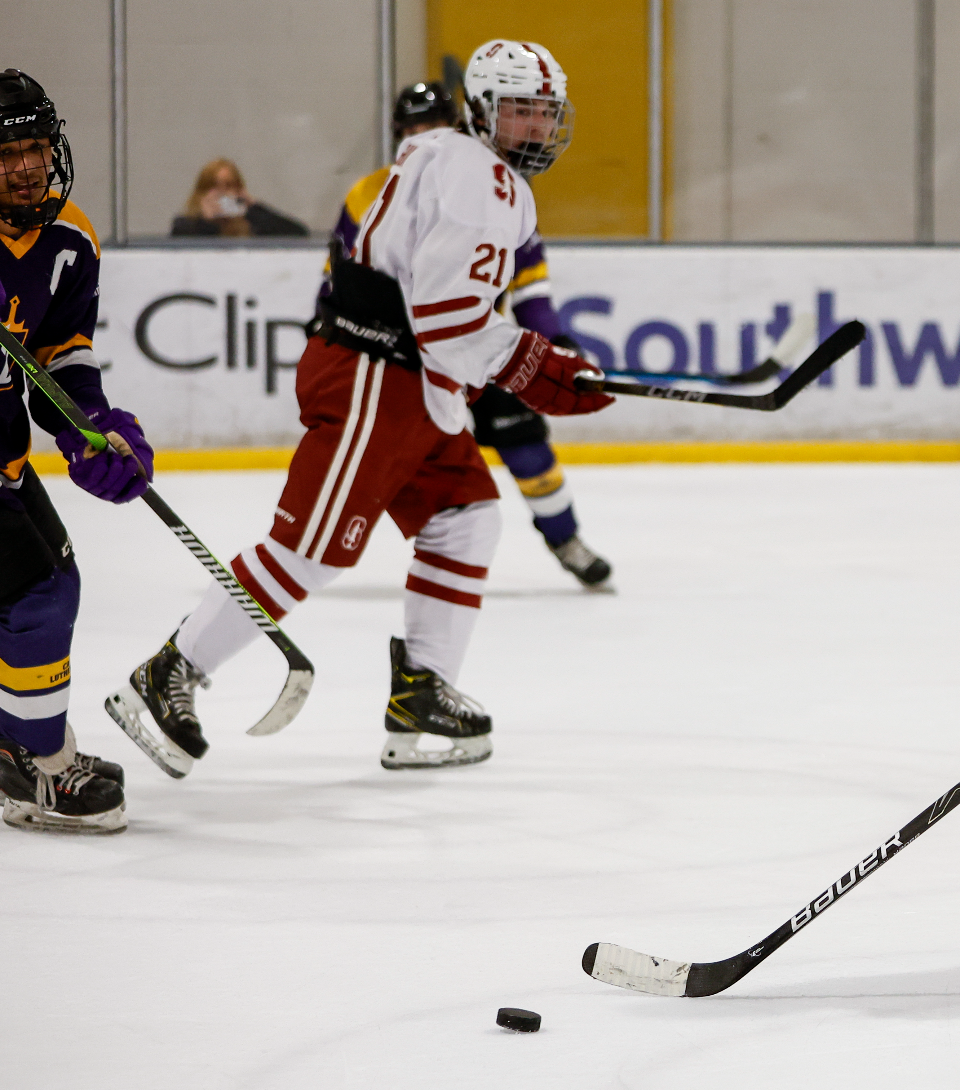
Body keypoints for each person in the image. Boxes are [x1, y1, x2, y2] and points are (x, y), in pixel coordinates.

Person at [109, 40, 611, 776]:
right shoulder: (487, 184)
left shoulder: (444, 150)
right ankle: (169, 673)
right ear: (480, 109)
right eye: (518, 111)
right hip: (380, 372)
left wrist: (530, 359)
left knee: (466, 517)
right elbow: (444, 315)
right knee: (309, 552)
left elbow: (430, 295)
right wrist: (536, 365)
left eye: (544, 112)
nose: (534, 128)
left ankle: (422, 690)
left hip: (414, 379)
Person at [327, 82, 611, 587]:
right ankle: (305, 543)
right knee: (372, 457)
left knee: (525, 444)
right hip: (400, 362)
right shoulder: (366, 193)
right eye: (413, 128)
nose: (423, 136)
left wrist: (555, 342)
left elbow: (530, 289)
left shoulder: (495, 188)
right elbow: (340, 279)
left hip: (478, 348)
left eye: (433, 125)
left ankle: (566, 539)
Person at [0, 69, 154, 833]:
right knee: (34, 599)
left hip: (2, 453)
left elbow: (59, 351)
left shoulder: (69, 238)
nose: (25, 167)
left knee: (54, 579)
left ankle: (11, 743)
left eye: (32, 148)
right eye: (3, 154)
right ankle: (39, 768)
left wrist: (89, 424)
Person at [170, 159, 308, 238]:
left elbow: (299, 233)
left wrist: (253, 208)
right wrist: (206, 222)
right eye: (215, 187)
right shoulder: (185, 226)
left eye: (230, 186)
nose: (224, 194)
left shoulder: (254, 224)